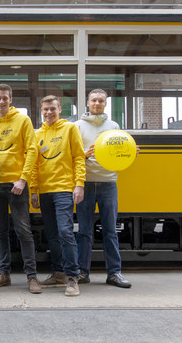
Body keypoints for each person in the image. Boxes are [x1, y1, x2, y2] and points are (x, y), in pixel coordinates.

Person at [0, 84, 42, 294]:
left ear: (11, 99)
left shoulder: (23, 120)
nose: (2, 101)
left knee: (23, 230)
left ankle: (32, 277)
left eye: (5, 98)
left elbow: (32, 150)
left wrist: (24, 180)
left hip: (17, 184)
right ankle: (4, 274)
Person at [75, 89, 132, 289]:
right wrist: (83, 153)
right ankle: (82, 272)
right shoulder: (78, 126)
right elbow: (72, 155)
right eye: (94, 100)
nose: (97, 103)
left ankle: (114, 273)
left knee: (110, 230)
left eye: (101, 101)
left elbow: (120, 151)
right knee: (84, 231)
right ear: (87, 103)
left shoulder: (114, 126)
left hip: (108, 182)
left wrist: (131, 151)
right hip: (86, 183)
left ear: (105, 104)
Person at [30, 95, 85, 297]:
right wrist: (34, 190)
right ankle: (59, 273)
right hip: (44, 191)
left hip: (64, 189)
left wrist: (79, 185)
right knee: (52, 235)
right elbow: (35, 165)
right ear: (41, 111)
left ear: (60, 109)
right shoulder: (37, 134)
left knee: (65, 233)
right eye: (45, 109)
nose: (49, 112)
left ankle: (72, 277)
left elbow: (79, 157)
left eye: (52, 108)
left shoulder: (70, 129)